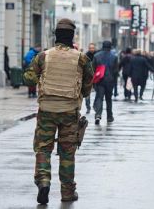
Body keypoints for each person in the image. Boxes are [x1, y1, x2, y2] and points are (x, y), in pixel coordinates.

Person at [22, 19, 93, 204]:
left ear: (56, 36)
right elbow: (87, 85)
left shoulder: (44, 56)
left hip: (46, 110)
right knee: (67, 152)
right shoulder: (81, 58)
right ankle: (67, 192)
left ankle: (44, 181)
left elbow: (29, 79)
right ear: (72, 36)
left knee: (43, 148)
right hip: (69, 111)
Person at [92, 41, 118, 124]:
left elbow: (93, 69)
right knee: (108, 99)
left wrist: (93, 81)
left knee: (99, 98)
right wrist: (115, 81)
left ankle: (98, 115)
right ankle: (109, 117)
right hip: (110, 81)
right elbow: (116, 71)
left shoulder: (96, 56)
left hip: (100, 80)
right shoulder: (114, 57)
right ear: (110, 47)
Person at [85, 43, 96, 114]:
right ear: (88, 48)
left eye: (93, 48)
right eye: (90, 48)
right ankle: (88, 107)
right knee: (87, 94)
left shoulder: (97, 55)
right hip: (88, 78)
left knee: (97, 93)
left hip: (96, 77)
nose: (92, 49)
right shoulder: (85, 56)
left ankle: (95, 106)